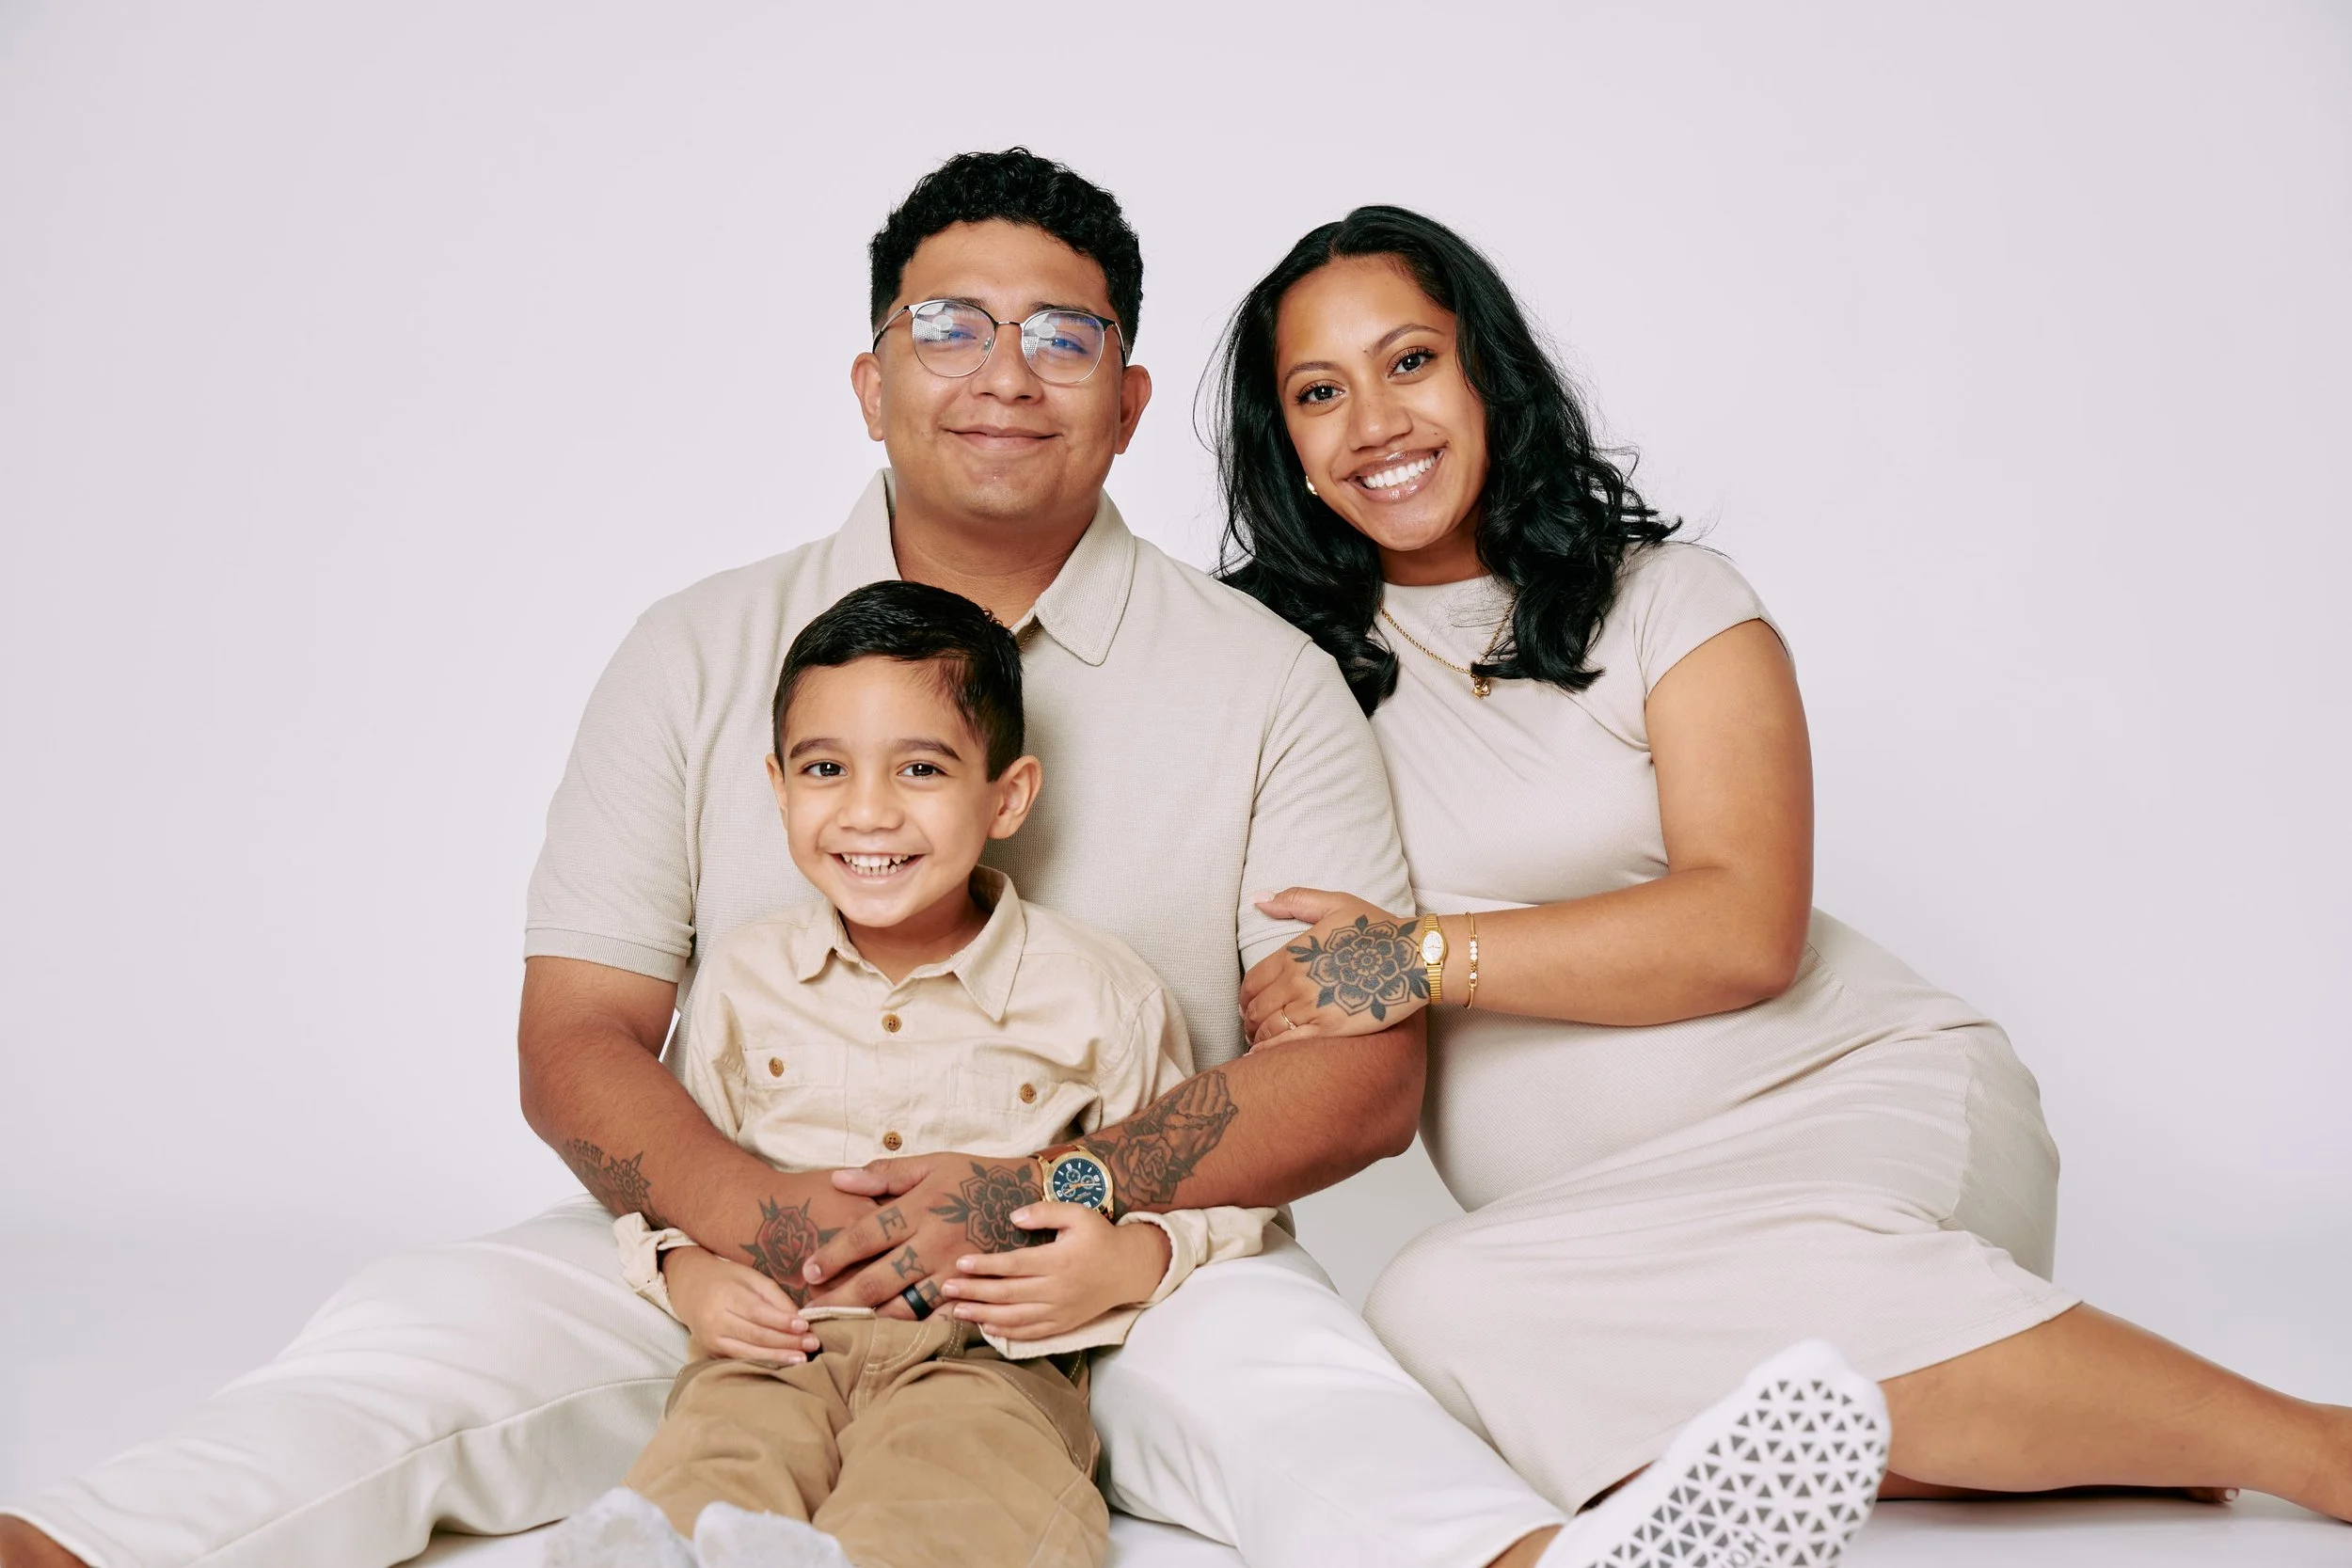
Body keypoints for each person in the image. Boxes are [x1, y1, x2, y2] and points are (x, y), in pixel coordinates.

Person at [0, 150, 1886, 1568]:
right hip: (734, 1237)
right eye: (948, 324)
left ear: (1130, 396)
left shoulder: (1264, 677)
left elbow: (1352, 1060)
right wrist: (757, 1216)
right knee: (416, 1341)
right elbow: (575, 1033)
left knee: (1294, 1394)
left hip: (1106, 1238)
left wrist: (1049, 1190)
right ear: (868, 376)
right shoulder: (696, 646)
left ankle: (1553, 1561)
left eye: (1063, 332)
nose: (1004, 370)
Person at [1212, 203, 2352, 1526]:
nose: (1375, 422)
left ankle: (2311, 1443)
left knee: (1815, 1279)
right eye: (1318, 391)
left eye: (1410, 361)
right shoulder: (1285, 677)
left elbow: (1745, 926)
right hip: (1611, 1226)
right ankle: (2069, 1432)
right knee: (1428, 1304)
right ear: (1285, 443)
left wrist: (1415, 958)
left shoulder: (1671, 601)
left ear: (1488, 375)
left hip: (1850, 1109)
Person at [541, 579, 1273, 1568]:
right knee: (712, 1460)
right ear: (778, 786)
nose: (868, 812)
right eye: (826, 768)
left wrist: (1123, 1262)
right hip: (774, 1347)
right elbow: (675, 1180)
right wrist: (688, 1271)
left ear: (1006, 795)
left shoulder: (1100, 993)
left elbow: (1198, 1181)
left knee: (954, 1488)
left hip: (989, 1359)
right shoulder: (741, 981)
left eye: (920, 768)